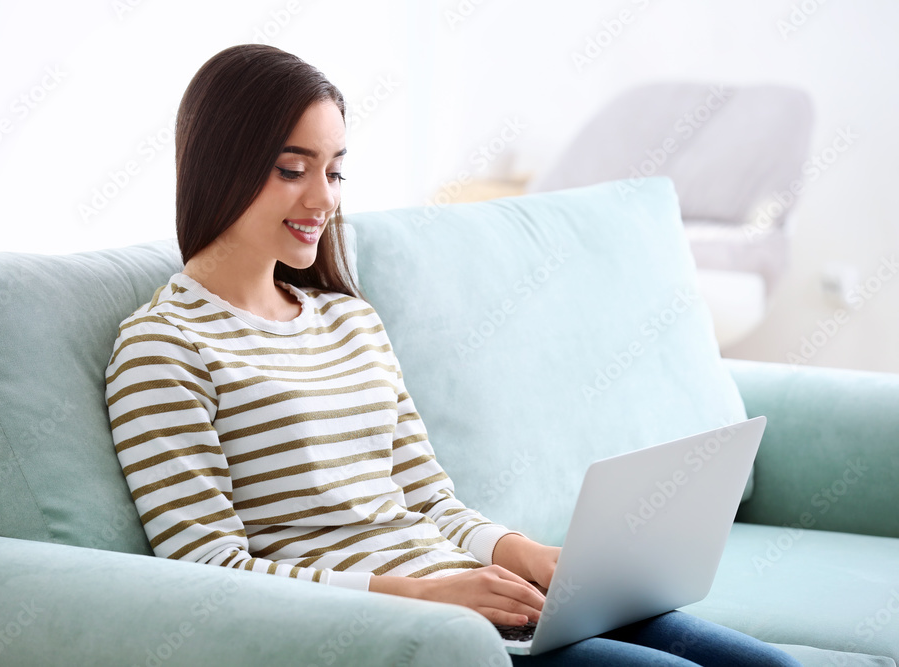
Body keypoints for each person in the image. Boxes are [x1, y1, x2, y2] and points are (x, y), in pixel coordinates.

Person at [104, 43, 802, 667]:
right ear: (221, 165)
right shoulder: (164, 348)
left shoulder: (349, 321)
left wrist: (525, 554)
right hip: (412, 630)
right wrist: (421, 595)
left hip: (487, 605)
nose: (323, 198)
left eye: (336, 172)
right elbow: (209, 571)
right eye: (293, 169)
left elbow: (431, 500)